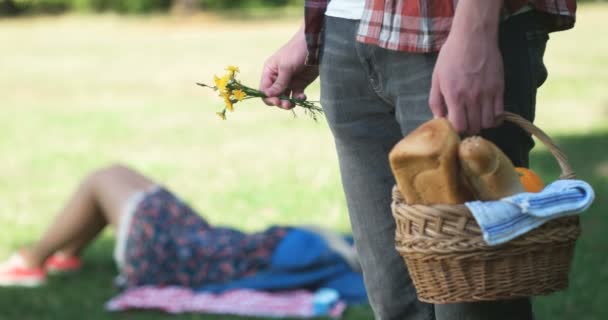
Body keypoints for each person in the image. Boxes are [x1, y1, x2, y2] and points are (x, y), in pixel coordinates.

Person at [259, 0, 576, 319]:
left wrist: (474, 33)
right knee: (394, 301)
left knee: (474, 301)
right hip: (343, 32)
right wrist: (311, 29)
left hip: (450, 30)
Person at [0, 164, 289, 288]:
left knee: (100, 180)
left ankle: (30, 261)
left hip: (168, 253)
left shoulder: (298, 261)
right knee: (116, 172)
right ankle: (65, 256)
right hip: (195, 236)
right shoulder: (299, 253)